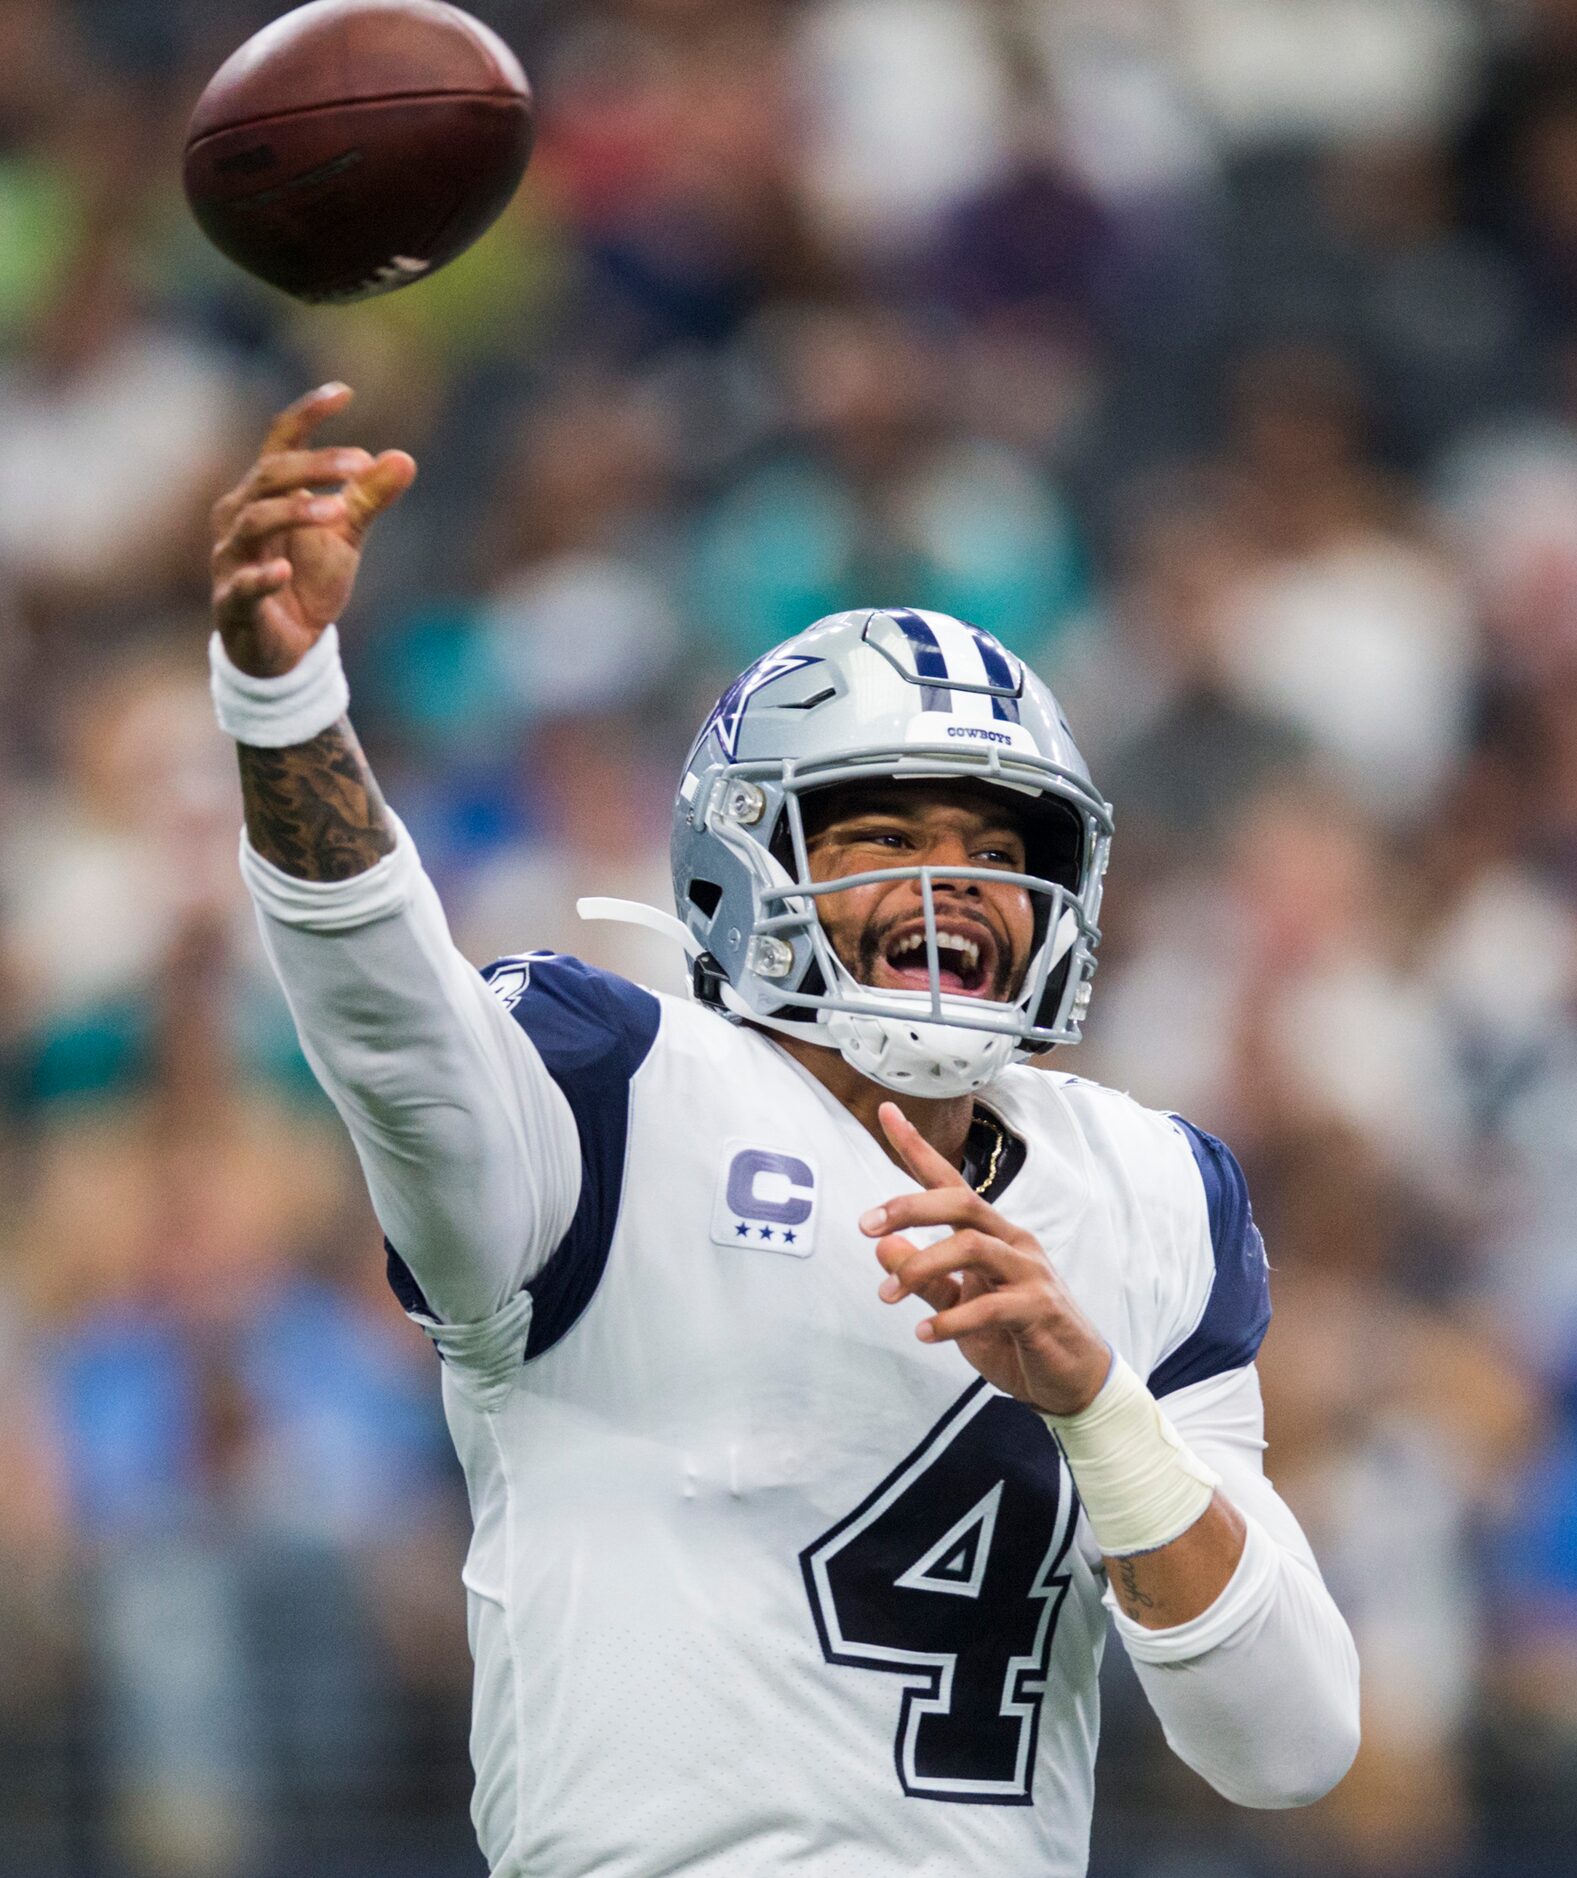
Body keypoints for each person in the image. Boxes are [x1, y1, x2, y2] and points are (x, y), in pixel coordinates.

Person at [206, 385, 1360, 1877]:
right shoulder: (608, 1093)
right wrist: (283, 698)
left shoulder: (1146, 1194)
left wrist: (1097, 1406)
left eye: (998, 851)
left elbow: (1288, 1742)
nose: (955, 893)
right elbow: (380, 1013)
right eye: (884, 835)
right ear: (739, 857)